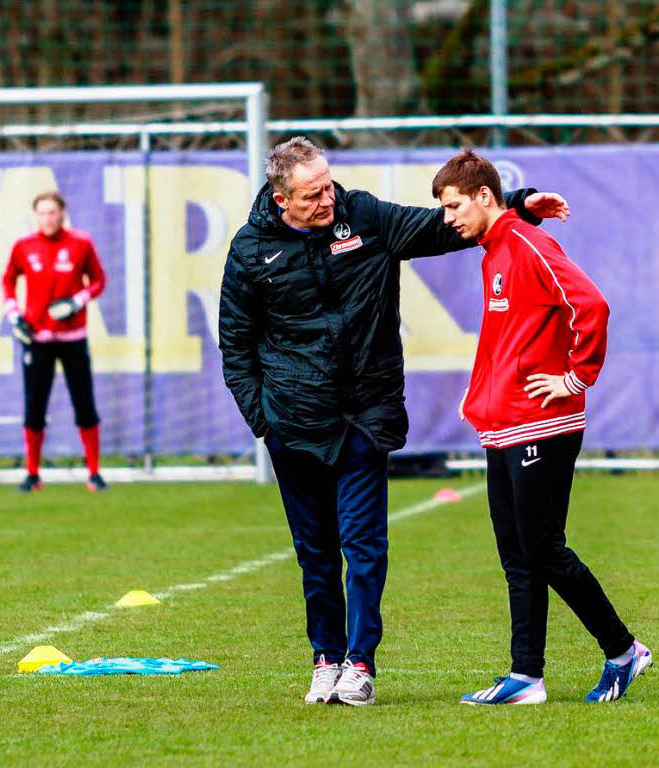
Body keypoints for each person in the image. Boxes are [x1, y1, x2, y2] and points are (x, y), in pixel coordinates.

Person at [218, 137, 570, 707]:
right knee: (314, 554)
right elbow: (236, 343)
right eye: (313, 194)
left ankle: (360, 664)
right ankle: (325, 659)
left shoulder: (364, 215)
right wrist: (265, 419)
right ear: (282, 199)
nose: (328, 199)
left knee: (364, 546)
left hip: (363, 416)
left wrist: (519, 203)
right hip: (295, 425)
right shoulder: (251, 249)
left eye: (329, 184)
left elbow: (439, 227)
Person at [432, 148, 651, 706]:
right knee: (517, 554)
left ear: (485, 196)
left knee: (544, 548)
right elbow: (509, 334)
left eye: (454, 204)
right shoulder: (494, 249)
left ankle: (624, 650)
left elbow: (592, 306)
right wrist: (481, 392)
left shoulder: (529, 243)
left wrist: (576, 379)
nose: (448, 217)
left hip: (543, 424)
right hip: (505, 421)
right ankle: (526, 676)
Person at [2, 191, 107, 493]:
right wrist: (14, 315)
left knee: (84, 404)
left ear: (62, 213)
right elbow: (8, 280)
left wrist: (77, 301)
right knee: (34, 406)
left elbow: (98, 280)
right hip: (37, 338)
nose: (47, 218)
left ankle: (94, 473)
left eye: (52, 212)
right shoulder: (24, 246)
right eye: (42, 212)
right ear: (35, 216)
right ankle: (32, 474)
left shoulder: (80, 243)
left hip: (73, 337)